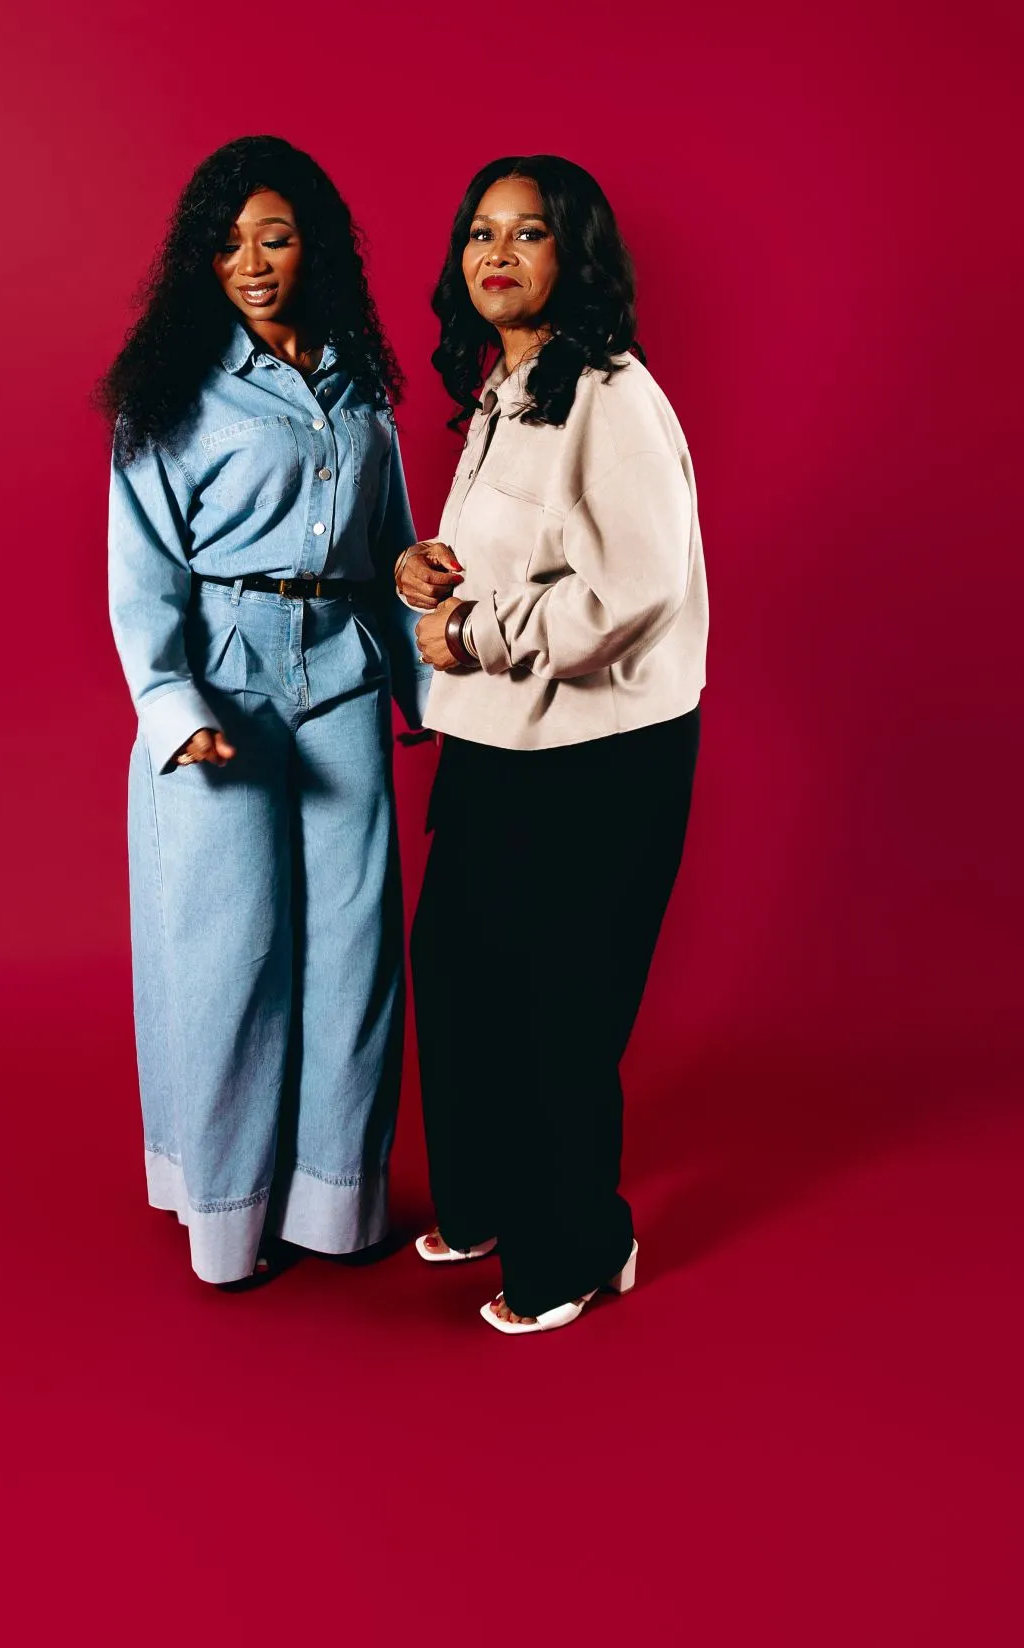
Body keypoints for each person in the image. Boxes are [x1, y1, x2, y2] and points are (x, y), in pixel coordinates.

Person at [100, 135, 428, 1285]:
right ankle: (228, 1218)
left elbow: (392, 552)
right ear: (202, 257)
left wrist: (427, 684)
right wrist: (172, 702)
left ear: (315, 246)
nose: (251, 260)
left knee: (353, 947)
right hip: (224, 688)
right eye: (228, 240)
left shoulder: (359, 387)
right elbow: (142, 576)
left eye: (275, 236)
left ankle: (335, 1204)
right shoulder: (171, 395)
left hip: (339, 674)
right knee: (229, 951)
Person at [397, 154, 708, 1334]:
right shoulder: (507, 388)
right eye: (481, 231)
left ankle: (579, 1246)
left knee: (556, 1012)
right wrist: (428, 564)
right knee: (459, 977)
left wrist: (471, 629)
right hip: (495, 741)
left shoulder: (614, 393)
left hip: (599, 757)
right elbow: (524, 550)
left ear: (574, 256)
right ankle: (484, 1203)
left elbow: (633, 585)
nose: (497, 253)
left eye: (527, 233)